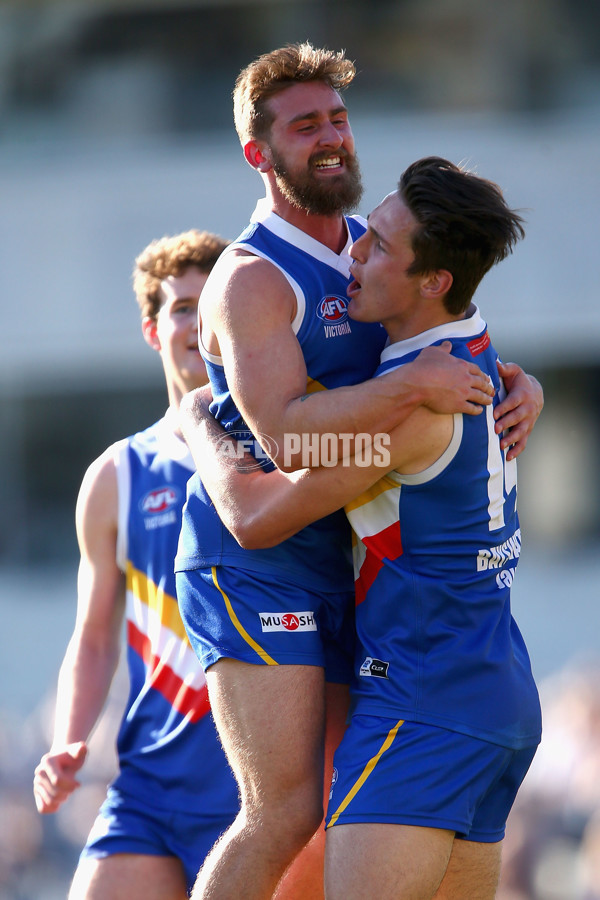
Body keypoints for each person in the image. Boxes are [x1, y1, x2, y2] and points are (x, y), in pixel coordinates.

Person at [174, 43, 543, 900]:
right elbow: (288, 444)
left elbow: (442, 330)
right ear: (258, 154)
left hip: (342, 543)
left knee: (349, 805)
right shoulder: (256, 279)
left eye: (338, 118)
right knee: (284, 811)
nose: (332, 137)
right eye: (306, 126)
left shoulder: (371, 249)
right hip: (258, 550)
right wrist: (198, 425)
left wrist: (516, 384)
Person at [32, 230, 241, 900]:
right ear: (154, 331)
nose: (197, 322)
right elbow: (93, 636)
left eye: (212, 304)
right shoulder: (117, 475)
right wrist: (70, 741)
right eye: (181, 307)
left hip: (261, 795)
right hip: (148, 791)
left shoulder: (285, 449)